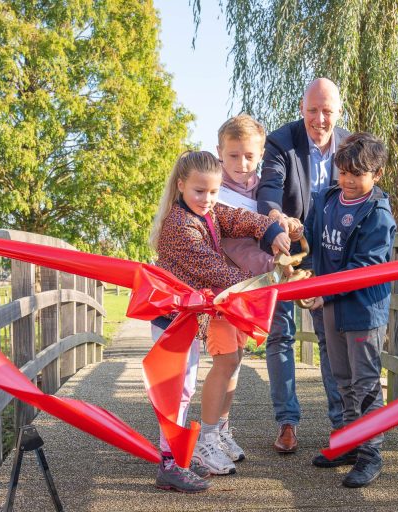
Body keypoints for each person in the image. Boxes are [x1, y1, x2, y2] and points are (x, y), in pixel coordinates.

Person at [149, 150, 291, 492]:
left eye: (213, 192)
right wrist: (270, 276)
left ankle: (177, 457)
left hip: (185, 318)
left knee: (183, 387)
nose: (208, 199)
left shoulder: (207, 213)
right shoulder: (179, 226)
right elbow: (217, 271)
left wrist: (272, 231)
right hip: (170, 318)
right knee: (177, 391)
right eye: (199, 191)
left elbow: (239, 218)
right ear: (181, 185)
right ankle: (170, 464)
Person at [257, 78, 349, 453]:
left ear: (338, 113)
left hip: (329, 254)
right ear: (301, 108)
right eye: (313, 110)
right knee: (281, 335)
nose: (320, 119)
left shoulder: (351, 146)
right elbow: (268, 192)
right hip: (285, 249)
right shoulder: (281, 141)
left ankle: (341, 424)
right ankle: (287, 423)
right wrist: (278, 218)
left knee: (330, 337)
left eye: (327, 111)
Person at [303, 132, 396, 488]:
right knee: (340, 379)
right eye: (343, 172)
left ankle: (371, 455)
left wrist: (324, 292)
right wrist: (305, 271)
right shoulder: (326, 199)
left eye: (357, 174)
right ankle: (346, 442)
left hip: (362, 311)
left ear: (377, 174)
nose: (348, 181)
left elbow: (365, 268)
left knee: (366, 384)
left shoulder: (379, 215)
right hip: (331, 308)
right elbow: (311, 242)